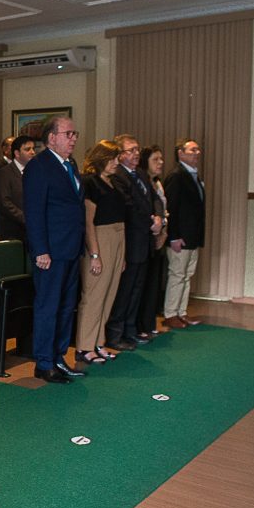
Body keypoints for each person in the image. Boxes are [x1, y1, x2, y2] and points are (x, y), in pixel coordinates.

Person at [23, 116, 85, 383]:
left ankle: (59, 358)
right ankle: (44, 362)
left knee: (66, 306)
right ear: (51, 138)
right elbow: (34, 212)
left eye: (75, 134)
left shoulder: (70, 165)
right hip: (51, 252)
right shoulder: (39, 166)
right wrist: (41, 250)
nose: (73, 138)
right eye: (68, 133)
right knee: (48, 306)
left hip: (71, 249)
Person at [105, 134, 161, 351]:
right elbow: (129, 208)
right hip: (130, 241)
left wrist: (158, 217)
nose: (136, 154)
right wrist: (151, 222)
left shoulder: (140, 174)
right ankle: (115, 335)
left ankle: (130, 331)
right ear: (119, 154)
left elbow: (154, 199)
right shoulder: (118, 176)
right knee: (125, 290)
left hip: (144, 241)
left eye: (137, 149)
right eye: (130, 150)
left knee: (137, 289)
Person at [74, 140, 125, 365]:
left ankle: (98, 342)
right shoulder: (90, 182)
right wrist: (95, 254)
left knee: (109, 293)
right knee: (94, 295)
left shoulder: (113, 182)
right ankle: (84, 346)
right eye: (112, 158)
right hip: (100, 239)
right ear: (101, 158)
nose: (116, 162)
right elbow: (88, 222)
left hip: (118, 237)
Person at [163, 138, 205, 328]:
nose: (197, 153)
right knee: (177, 275)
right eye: (192, 150)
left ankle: (181, 312)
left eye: (198, 150)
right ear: (180, 153)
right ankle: (170, 313)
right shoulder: (176, 176)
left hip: (192, 236)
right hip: (179, 237)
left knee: (187, 275)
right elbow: (172, 207)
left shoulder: (194, 176)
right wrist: (173, 236)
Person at [137, 145, 169, 337]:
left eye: (161, 159)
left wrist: (163, 230)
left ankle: (149, 324)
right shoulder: (141, 180)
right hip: (145, 236)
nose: (160, 163)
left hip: (159, 235)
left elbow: (161, 207)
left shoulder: (157, 183)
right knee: (143, 284)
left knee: (154, 283)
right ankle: (140, 326)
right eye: (155, 159)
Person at [0, 135, 35, 242]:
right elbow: (4, 203)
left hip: (31, 232)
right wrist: (26, 218)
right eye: (27, 149)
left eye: (33, 149)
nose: (32, 152)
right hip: (11, 232)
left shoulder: (35, 172)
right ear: (16, 153)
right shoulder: (4, 173)